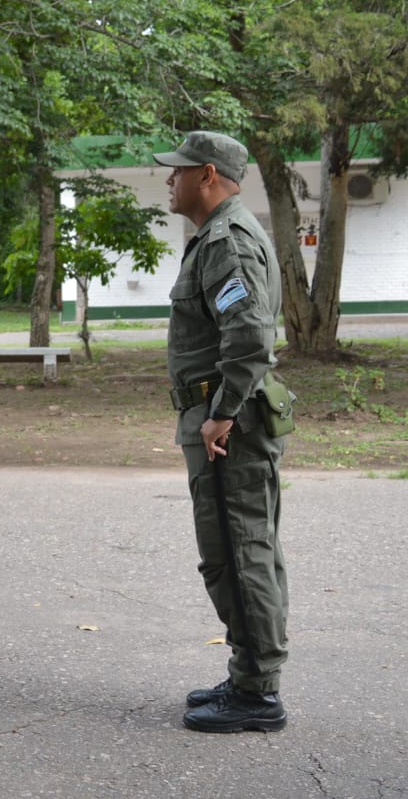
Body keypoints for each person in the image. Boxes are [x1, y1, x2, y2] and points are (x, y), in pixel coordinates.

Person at [155, 131, 289, 733]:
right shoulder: (218, 235)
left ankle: (258, 695)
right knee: (230, 552)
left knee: (239, 552)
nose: (169, 180)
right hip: (221, 415)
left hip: (228, 421)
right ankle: (246, 675)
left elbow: (251, 338)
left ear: (207, 174)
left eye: (177, 171)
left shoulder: (226, 240)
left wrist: (223, 413)